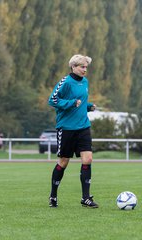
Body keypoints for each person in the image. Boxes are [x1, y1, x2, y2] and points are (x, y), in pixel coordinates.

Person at [47, 54, 98, 208]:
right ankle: (53, 196)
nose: (84, 70)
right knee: (63, 162)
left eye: (86, 67)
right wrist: (71, 103)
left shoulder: (85, 82)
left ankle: (85, 198)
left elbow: (80, 102)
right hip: (67, 128)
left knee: (88, 159)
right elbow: (53, 100)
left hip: (83, 126)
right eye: (82, 67)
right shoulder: (65, 82)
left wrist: (88, 106)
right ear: (73, 67)